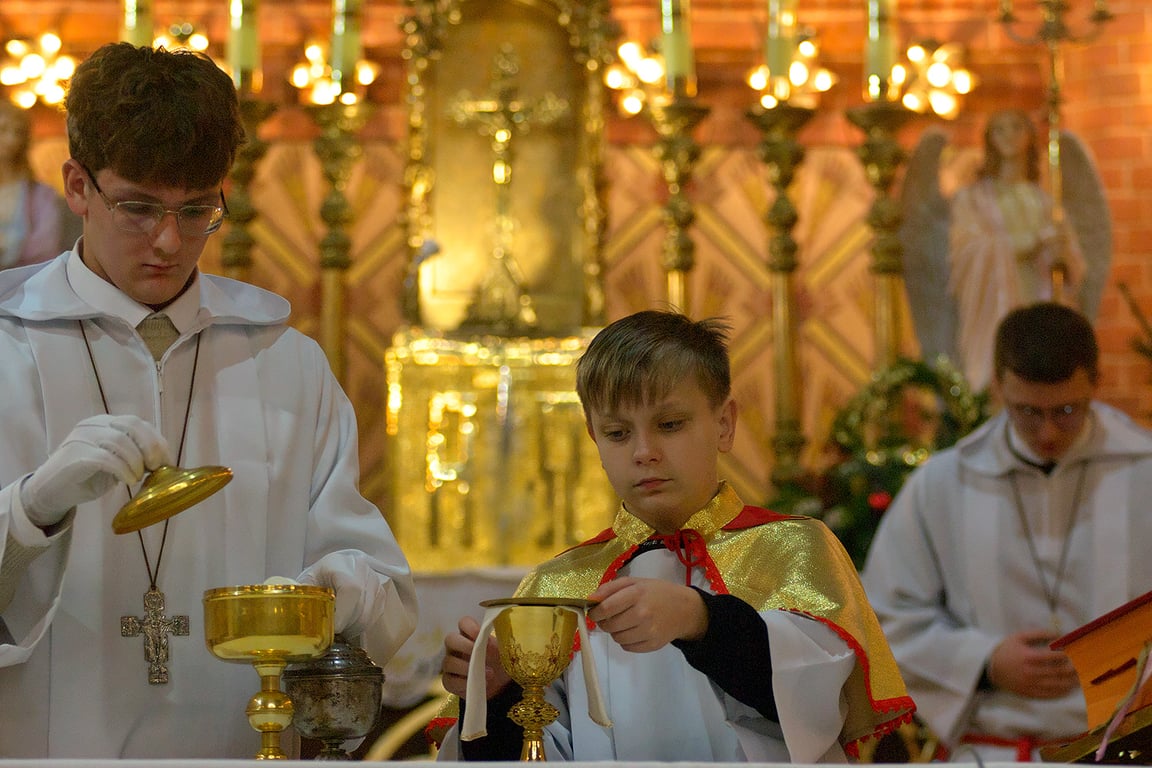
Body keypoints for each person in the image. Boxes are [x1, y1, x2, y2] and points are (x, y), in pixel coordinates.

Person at [0, 43, 418, 758]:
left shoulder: (286, 362)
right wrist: (29, 509)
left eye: (197, 210)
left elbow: (387, 605)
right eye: (137, 208)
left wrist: (340, 593)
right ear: (76, 186)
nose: (168, 241)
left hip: (242, 744)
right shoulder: (9, 344)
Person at [435, 310, 914, 762]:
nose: (644, 451)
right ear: (594, 439)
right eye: (618, 433)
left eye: (669, 425)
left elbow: (821, 703)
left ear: (724, 424)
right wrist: (498, 696)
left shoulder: (794, 548)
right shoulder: (556, 586)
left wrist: (701, 618)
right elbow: (534, 756)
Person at [862, 302, 1152, 761]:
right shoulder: (944, 483)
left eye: (1067, 410)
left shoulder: (1144, 473)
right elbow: (882, 617)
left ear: (1096, 383)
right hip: (995, 752)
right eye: (1028, 412)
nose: (1049, 432)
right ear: (998, 387)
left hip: (1130, 748)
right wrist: (983, 662)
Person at [948, 110, 1085, 391]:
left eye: (1016, 127)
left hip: (1036, 293)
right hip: (995, 301)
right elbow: (966, 250)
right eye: (1000, 129)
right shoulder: (974, 199)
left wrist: (1061, 257)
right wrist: (1029, 243)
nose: (1009, 136)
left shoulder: (1045, 201)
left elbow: (1071, 262)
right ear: (990, 140)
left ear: (1030, 137)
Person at [0, 100, 69, 269]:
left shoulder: (40, 194)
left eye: (18, 132)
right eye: (3, 130)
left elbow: (45, 246)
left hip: (22, 280)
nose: (11, 139)